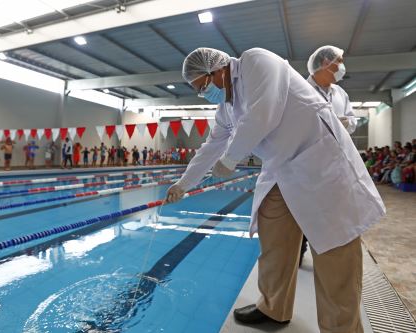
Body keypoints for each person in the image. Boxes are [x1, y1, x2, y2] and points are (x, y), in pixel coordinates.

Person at [165, 47, 385, 333]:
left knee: (335, 246)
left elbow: (265, 112)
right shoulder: (226, 109)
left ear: (217, 70)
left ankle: (341, 327)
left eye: (203, 86)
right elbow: (210, 147)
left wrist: (230, 159)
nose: (204, 93)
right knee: (274, 236)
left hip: (319, 159)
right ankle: (273, 306)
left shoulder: (256, 61)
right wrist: (183, 184)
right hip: (281, 168)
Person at [299, 45, 360, 266]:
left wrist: (347, 123)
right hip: (309, 166)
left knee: (334, 215)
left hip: (337, 165)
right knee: (305, 216)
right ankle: (299, 253)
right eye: (339, 61)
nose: (342, 66)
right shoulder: (300, 90)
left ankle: (329, 258)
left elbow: (352, 119)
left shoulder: (340, 93)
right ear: (325, 63)